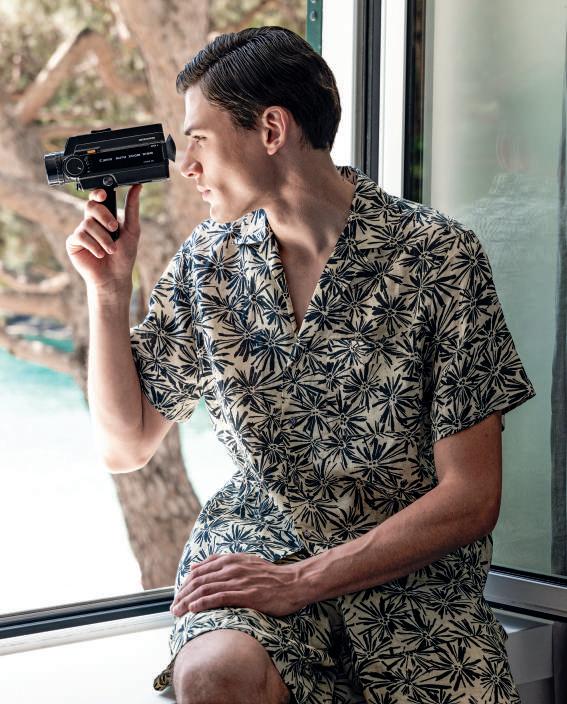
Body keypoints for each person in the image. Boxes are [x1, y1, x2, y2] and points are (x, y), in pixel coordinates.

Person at [67, 25, 536, 704]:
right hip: (259, 548)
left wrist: (304, 581)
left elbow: (471, 496)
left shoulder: (437, 257)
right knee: (214, 673)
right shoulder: (209, 262)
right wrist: (108, 292)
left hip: (409, 571)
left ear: (271, 129)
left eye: (199, 139)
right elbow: (126, 445)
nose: (186, 165)